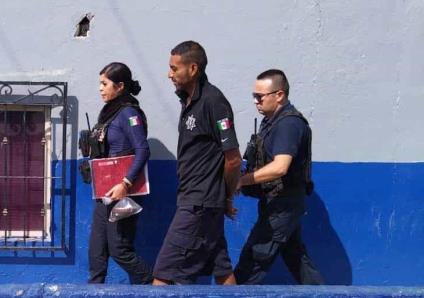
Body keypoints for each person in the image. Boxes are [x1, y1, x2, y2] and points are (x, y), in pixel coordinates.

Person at [152, 41, 241, 285]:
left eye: (174, 68)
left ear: (193, 69)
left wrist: (227, 196)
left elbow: (233, 158)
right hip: (199, 201)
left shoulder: (214, 101)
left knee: (163, 275)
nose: (169, 74)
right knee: (221, 269)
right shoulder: (188, 100)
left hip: (199, 204)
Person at [234, 69, 323, 285]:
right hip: (277, 202)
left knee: (253, 260)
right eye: (254, 96)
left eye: (259, 96)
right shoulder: (271, 121)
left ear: (279, 95)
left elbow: (280, 167)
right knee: (296, 258)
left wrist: (240, 181)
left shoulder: (288, 124)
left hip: (283, 204)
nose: (255, 101)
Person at [87, 62, 153, 284]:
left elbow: (142, 150)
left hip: (122, 192)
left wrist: (125, 183)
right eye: (100, 83)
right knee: (97, 251)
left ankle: (153, 284)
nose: (100, 88)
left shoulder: (129, 113)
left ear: (120, 86)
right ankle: (94, 289)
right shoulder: (109, 113)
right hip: (103, 191)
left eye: (105, 84)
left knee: (119, 249)